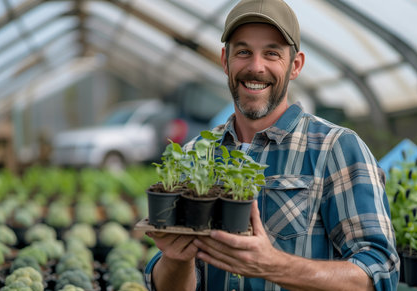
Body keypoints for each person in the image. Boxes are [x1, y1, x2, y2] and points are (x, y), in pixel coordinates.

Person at [144, 0, 400, 290]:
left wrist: (273, 265)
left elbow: (379, 273)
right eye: (243, 52)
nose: (256, 67)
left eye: (272, 54)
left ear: (296, 65)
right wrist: (177, 260)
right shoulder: (194, 155)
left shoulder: (336, 149)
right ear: (225, 60)